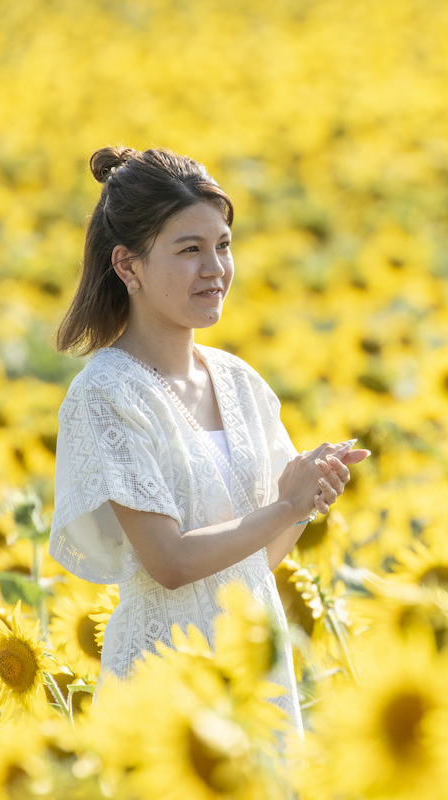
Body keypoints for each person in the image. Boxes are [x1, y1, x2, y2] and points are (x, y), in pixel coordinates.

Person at [49, 146, 368, 737]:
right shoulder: (107, 393)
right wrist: (285, 505)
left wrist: (309, 493)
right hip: (164, 683)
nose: (215, 268)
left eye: (222, 245)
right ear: (128, 266)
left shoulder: (240, 382)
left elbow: (254, 562)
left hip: (256, 676)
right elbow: (169, 563)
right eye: (189, 249)